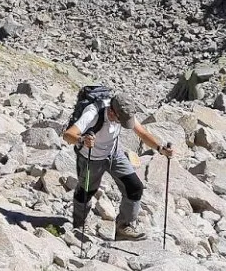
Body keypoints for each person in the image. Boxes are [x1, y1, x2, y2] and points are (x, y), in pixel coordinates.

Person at [62, 89, 173, 240]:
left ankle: (124, 227)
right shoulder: (93, 113)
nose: (124, 124)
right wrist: (82, 140)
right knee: (86, 192)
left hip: (114, 154)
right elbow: (68, 135)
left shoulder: (124, 113)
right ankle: (80, 225)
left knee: (135, 187)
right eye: (121, 121)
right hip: (91, 158)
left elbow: (143, 133)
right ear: (112, 112)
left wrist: (160, 148)